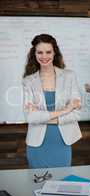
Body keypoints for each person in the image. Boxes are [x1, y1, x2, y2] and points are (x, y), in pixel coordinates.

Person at [22, 34, 82, 168]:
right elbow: (30, 117)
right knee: (37, 185)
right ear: (34, 54)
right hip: (37, 143)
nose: (44, 56)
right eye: (40, 52)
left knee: (61, 183)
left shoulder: (69, 76)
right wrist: (66, 110)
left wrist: (42, 116)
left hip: (62, 141)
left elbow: (77, 114)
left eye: (48, 52)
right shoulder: (28, 81)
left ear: (55, 52)